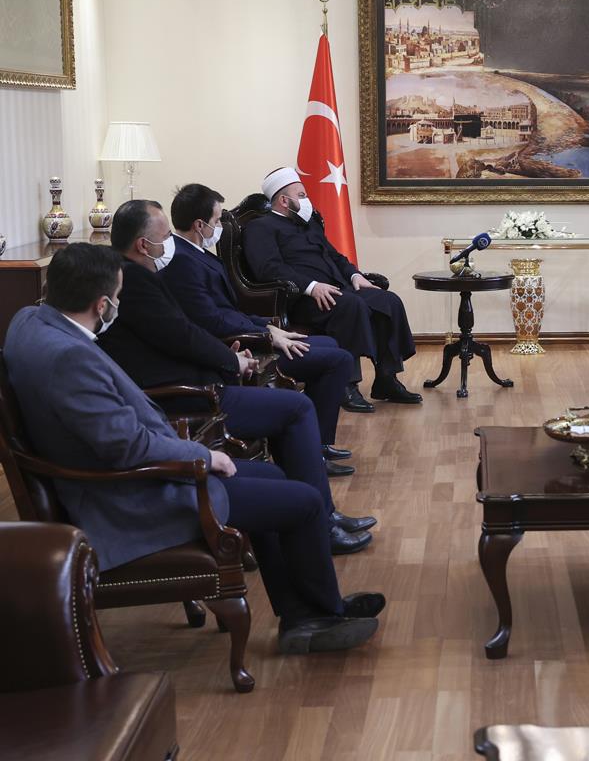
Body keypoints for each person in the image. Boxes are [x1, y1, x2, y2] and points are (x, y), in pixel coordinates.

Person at [4, 243, 385, 653]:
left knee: (275, 476)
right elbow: (126, 447)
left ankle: (307, 613)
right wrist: (203, 455)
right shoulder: (69, 359)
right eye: (116, 297)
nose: (118, 305)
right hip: (128, 497)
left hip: (129, 475)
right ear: (101, 305)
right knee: (305, 502)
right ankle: (316, 617)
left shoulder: (30, 320)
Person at [97, 199, 375, 555]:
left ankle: (322, 518)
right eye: (164, 236)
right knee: (297, 408)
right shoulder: (134, 279)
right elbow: (183, 335)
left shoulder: (130, 273)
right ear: (142, 244)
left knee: (294, 408)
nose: (168, 243)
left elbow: (180, 332)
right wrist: (232, 361)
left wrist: (230, 352)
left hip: (197, 380)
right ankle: (323, 523)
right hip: (188, 395)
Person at [162, 183, 362, 475]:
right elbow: (213, 320)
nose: (220, 228)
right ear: (199, 225)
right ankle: (314, 451)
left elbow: (229, 312)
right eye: (217, 220)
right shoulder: (183, 262)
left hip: (250, 333)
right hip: (242, 346)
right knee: (338, 360)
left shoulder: (198, 254)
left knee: (330, 345)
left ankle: (317, 445)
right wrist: (268, 335)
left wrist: (269, 326)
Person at [244, 167, 420, 407]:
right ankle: (346, 385)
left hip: (338, 288)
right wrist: (311, 286)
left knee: (388, 301)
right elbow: (268, 269)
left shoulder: (309, 223)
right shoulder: (261, 227)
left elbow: (335, 256)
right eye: (301, 195)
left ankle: (387, 379)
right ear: (284, 201)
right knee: (350, 306)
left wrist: (355, 275)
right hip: (301, 299)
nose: (307, 200)